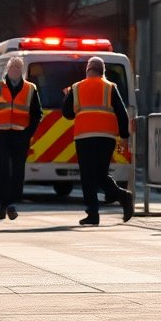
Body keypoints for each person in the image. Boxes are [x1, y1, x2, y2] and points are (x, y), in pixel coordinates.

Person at [62, 57, 133, 226]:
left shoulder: (76, 87)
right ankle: (123, 196)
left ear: (88, 70)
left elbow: (67, 113)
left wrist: (66, 97)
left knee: (87, 176)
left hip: (84, 136)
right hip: (106, 137)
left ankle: (93, 213)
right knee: (101, 175)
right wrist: (124, 137)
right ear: (103, 71)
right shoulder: (110, 87)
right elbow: (122, 115)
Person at [0, 56, 41, 221]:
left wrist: (29, 133)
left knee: (17, 171)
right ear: (8, 69)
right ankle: (3, 204)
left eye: (18, 68)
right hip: (1, 135)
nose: (15, 70)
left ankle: (12, 203)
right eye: (12, 67)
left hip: (20, 136)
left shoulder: (30, 88)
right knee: (2, 170)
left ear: (21, 71)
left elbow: (37, 113)